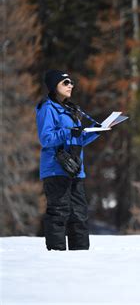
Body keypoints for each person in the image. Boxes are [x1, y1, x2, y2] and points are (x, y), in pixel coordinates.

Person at [36, 70, 100, 251]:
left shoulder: (71, 109)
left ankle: (80, 256)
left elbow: (77, 139)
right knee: (59, 212)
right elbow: (46, 138)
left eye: (71, 82)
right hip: (56, 169)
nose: (70, 85)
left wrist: (97, 131)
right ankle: (56, 257)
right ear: (54, 86)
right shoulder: (47, 107)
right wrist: (69, 131)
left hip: (75, 169)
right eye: (65, 83)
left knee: (79, 214)